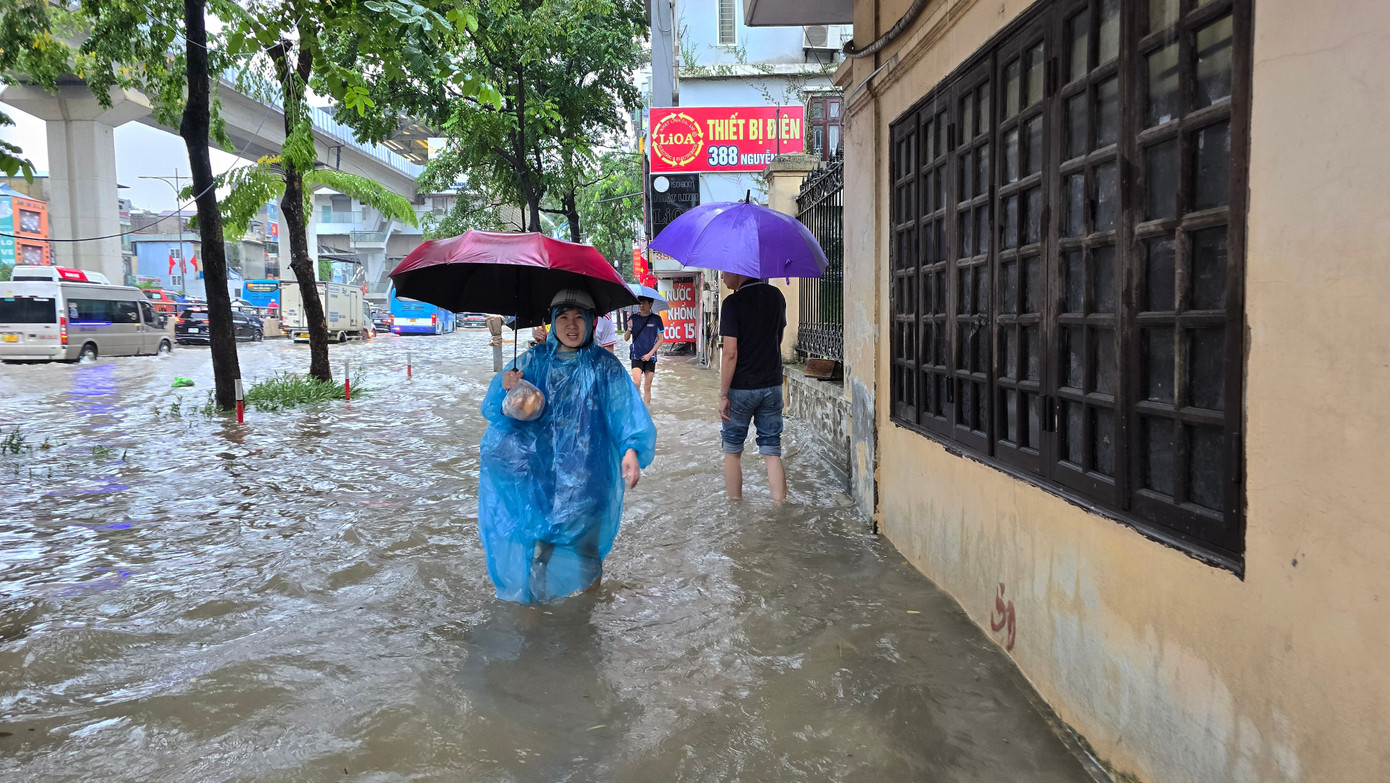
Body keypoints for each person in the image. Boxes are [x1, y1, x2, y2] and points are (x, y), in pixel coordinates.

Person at [478, 288, 657, 604]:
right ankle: (536, 612)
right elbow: (495, 411)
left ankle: (587, 611)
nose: (571, 326)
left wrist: (631, 449)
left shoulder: (605, 366)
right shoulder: (533, 361)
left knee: (586, 551)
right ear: (552, 321)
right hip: (542, 476)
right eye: (563, 317)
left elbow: (626, 412)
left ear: (590, 322)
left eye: (579, 318)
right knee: (539, 547)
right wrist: (507, 387)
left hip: (590, 478)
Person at [717, 271, 787, 504]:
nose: (722, 276)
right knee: (772, 449)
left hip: (741, 388)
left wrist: (723, 394)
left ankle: (735, 509)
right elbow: (778, 339)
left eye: (725, 270)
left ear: (738, 270)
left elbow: (730, 353)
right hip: (772, 385)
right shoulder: (776, 296)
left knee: (732, 450)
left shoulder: (732, 303)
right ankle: (779, 508)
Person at [624, 297, 664, 404]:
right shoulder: (633, 318)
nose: (641, 306)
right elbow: (626, 338)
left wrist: (650, 354)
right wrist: (629, 328)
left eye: (644, 303)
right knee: (636, 383)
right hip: (636, 355)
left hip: (650, 357)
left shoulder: (656, 319)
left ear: (651, 304)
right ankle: (638, 405)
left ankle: (647, 408)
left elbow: (661, 340)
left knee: (647, 386)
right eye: (640, 303)